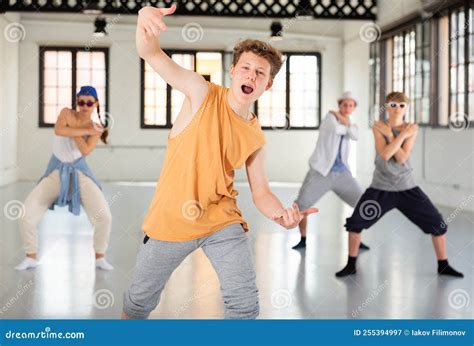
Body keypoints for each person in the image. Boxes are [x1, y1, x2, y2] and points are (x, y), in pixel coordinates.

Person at [122, 4, 318, 320]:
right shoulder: (200, 92)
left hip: (221, 219)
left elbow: (261, 193)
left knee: (244, 306)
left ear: (267, 85)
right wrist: (144, 18)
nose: (251, 75)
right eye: (246, 68)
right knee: (137, 304)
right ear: (232, 71)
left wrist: (282, 215)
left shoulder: (256, 137)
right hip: (171, 218)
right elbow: (152, 54)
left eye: (260, 73)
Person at [335, 91, 464, 278]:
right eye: (393, 105)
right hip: (381, 188)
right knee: (355, 223)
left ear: (406, 108)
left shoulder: (412, 128)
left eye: (401, 105)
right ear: (386, 107)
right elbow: (385, 155)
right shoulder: (378, 126)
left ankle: (443, 265)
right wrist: (400, 136)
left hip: (407, 188)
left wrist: (397, 135)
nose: (397, 109)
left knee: (437, 224)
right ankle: (351, 265)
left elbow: (402, 158)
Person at [15, 86, 114, 271]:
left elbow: (84, 151)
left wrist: (73, 129)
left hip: (81, 173)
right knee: (26, 213)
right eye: (81, 101)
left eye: (89, 102)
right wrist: (83, 131)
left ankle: (100, 256)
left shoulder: (96, 127)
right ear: (76, 102)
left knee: (105, 216)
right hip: (55, 172)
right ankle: (31, 256)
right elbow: (59, 131)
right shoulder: (66, 113)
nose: (84, 106)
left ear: (96, 104)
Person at [292, 92, 369, 251]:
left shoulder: (347, 122)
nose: (347, 108)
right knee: (302, 205)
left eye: (351, 105)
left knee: (363, 204)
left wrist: (347, 124)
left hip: (342, 174)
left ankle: (356, 238)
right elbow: (337, 129)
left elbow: (355, 135)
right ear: (339, 104)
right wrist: (347, 125)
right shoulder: (329, 118)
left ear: (354, 108)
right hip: (321, 172)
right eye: (344, 105)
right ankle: (303, 239)